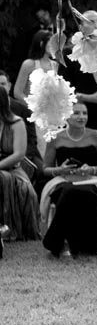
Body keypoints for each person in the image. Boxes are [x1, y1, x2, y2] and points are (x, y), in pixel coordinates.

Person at [40, 101, 97, 257]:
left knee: (80, 193)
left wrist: (92, 169)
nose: (81, 117)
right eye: (76, 113)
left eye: (85, 113)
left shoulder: (96, 135)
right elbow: (45, 169)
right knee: (69, 191)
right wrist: (59, 169)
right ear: (65, 116)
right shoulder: (55, 137)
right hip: (63, 181)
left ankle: (57, 241)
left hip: (91, 180)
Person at [58, 10, 97, 139]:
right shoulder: (70, 55)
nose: (96, 25)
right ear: (81, 27)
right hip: (80, 117)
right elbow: (62, 91)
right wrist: (90, 97)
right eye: (91, 22)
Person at [0, 86, 39, 241]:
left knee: (4, 178)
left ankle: (8, 228)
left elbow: (19, 154)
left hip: (12, 169)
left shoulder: (16, 123)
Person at [14, 30, 56, 103]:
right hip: (29, 111)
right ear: (41, 43)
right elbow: (17, 93)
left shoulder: (55, 65)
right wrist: (33, 106)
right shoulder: (28, 64)